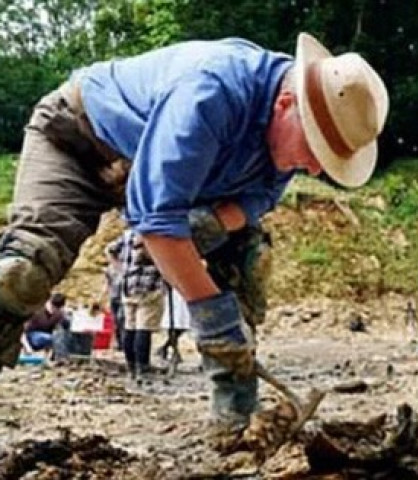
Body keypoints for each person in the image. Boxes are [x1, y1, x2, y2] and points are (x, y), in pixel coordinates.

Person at [0, 33, 388, 440]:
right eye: (314, 150)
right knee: (22, 274)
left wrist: (214, 225)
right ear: (286, 104)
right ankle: (226, 350)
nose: (311, 168)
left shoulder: (292, 130)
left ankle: (236, 423)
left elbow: (257, 199)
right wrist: (213, 317)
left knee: (250, 264)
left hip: (185, 183)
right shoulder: (211, 90)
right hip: (81, 142)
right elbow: (157, 220)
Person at [108, 229, 164, 382]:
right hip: (149, 287)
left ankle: (131, 367)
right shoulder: (155, 232)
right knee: (143, 329)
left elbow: (110, 249)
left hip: (128, 287)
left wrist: (121, 270)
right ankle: (142, 369)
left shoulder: (128, 234)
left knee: (130, 327)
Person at [99, 242, 125, 350]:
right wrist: (101, 297)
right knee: (115, 321)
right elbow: (107, 284)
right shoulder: (109, 269)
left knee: (122, 319)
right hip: (114, 296)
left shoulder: (124, 267)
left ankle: (124, 342)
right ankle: (119, 343)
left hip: (123, 296)